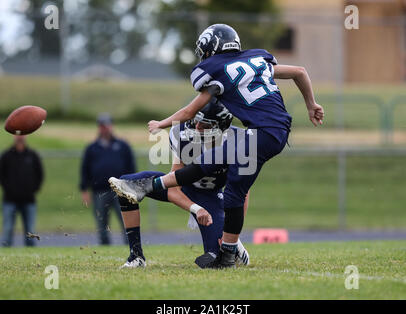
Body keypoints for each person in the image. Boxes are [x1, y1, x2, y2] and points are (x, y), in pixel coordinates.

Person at [111, 24, 325, 268]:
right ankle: (139, 242)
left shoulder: (230, 122)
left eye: (207, 125)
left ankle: (229, 248)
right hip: (251, 144)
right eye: (198, 124)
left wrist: (162, 123)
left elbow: (190, 110)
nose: (199, 129)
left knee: (230, 193)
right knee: (199, 167)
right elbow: (299, 71)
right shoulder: (253, 66)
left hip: (220, 192)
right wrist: (311, 104)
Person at [109, 100, 249, 268]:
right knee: (127, 185)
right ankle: (136, 257)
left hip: (211, 196)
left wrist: (232, 232)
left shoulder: (240, 141)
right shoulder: (181, 133)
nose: (196, 127)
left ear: (221, 127)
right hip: (183, 189)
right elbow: (174, 186)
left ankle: (232, 247)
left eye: (204, 124)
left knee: (215, 258)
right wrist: (196, 209)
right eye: (195, 121)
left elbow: (242, 192)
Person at [80, 113, 136, 245]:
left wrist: (132, 187)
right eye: (101, 126)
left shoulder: (123, 146)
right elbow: (85, 169)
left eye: (106, 125)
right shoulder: (92, 148)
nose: (104, 128)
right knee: (101, 222)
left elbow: (131, 167)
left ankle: (131, 247)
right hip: (99, 191)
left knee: (126, 220)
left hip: (120, 190)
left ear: (112, 126)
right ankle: (104, 247)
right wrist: (84, 189)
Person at [0, 135, 44, 247]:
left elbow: (40, 175)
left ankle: (32, 259)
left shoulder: (32, 155)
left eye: (22, 134)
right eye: (17, 134)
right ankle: (4, 257)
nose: (20, 137)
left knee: (30, 230)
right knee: (8, 229)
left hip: (29, 200)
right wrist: (9, 189)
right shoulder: (6, 155)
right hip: (10, 200)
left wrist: (33, 189)